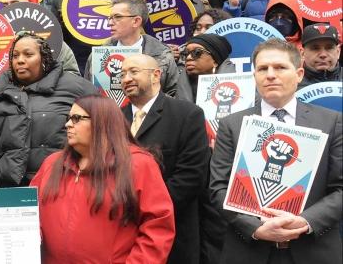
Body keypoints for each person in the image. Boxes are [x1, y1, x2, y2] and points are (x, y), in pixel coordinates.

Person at [210, 38, 342, 264]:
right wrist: (255, 227)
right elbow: (218, 188)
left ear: (299, 74)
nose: (270, 75)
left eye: (280, 67)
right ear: (254, 77)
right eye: (262, 68)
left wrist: (306, 221)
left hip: (313, 251)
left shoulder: (331, 122)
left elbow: (340, 188)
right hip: (248, 250)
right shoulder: (231, 124)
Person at [30, 94, 176, 263]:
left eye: (77, 118)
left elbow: (157, 227)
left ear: (102, 123)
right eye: (69, 118)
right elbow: (29, 214)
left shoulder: (138, 165)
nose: (68, 124)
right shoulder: (52, 163)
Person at [120, 54, 209, 264]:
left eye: (133, 71)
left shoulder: (187, 114)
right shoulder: (115, 118)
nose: (126, 78)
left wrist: (146, 211)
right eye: (122, 74)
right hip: (122, 233)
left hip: (173, 233)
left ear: (156, 75)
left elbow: (191, 177)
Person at [0, 32, 97, 187]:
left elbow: (103, 127)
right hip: (6, 187)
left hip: (61, 183)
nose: (20, 60)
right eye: (15, 56)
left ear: (44, 58)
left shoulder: (77, 87)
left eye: (28, 55)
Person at [83, 0, 183, 98]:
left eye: (117, 17)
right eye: (110, 18)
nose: (110, 23)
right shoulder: (98, 55)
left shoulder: (162, 55)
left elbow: (174, 94)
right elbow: (86, 93)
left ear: (136, 21)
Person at [176, 34, 234, 102]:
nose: (189, 57)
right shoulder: (174, 94)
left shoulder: (234, 91)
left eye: (197, 52)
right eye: (185, 53)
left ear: (215, 61)